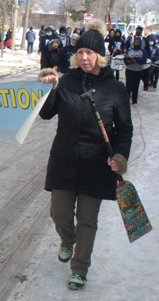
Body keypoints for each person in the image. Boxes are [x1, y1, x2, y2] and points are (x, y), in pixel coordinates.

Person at [38, 19, 133, 290]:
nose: (84, 57)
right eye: (79, 53)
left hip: (96, 164)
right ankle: (68, 240)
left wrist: (121, 156)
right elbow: (45, 114)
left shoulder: (115, 89)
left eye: (89, 53)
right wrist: (49, 88)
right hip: (64, 159)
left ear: (100, 56)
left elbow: (125, 128)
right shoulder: (67, 81)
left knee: (88, 220)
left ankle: (79, 268)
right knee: (59, 213)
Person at [125, 37, 149, 103]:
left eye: (138, 42)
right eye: (135, 42)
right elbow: (125, 59)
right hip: (130, 70)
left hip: (138, 71)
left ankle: (134, 100)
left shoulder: (143, 51)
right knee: (128, 86)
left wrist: (135, 58)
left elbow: (144, 61)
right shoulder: (130, 50)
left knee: (136, 86)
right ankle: (126, 100)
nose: (136, 43)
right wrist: (128, 61)